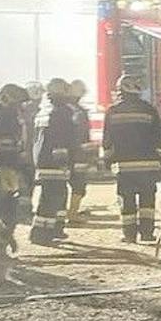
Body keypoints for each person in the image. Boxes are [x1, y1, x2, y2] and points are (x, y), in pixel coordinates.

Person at [101, 73, 161, 243]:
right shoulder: (149, 109)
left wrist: (107, 161)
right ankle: (147, 233)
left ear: (120, 90)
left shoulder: (112, 112)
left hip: (124, 166)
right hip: (148, 165)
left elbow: (107, 141)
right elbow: (160, 138)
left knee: (127, 201)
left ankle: (129, 235)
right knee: (147, 201)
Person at [31, 77, 80, 245]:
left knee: (52, 196)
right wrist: (64, 162)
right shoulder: (62, 112)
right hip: (55, 162)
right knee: (52, 198)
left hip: (43, 160)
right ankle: (42, 234)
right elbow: (61, 138)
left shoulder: (43, 111)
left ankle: (53, 230)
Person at [65, 78, 94, 222]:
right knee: (79, 185)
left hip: (64, 156)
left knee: (63, 185)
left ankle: (67, 212)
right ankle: (72, 214)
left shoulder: (62, 110)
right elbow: (83, 136)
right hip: (78, 155)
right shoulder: (80, 112)